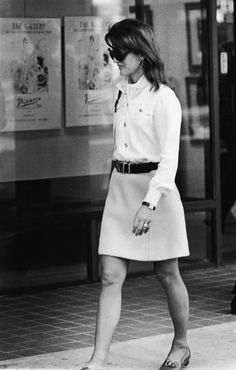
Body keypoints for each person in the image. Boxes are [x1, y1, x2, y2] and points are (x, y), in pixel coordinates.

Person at [81, 18, 190, 370]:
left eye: (120, 52)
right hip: (121, 188)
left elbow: (169, 158)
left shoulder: (165, 98)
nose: (115, 58)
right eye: (111, 52)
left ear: (140, 54)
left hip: (155, 191)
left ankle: (181, 344)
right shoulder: (121, 93)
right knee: (110, 275)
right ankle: (99, 359)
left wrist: (149, 203)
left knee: (167, 273)